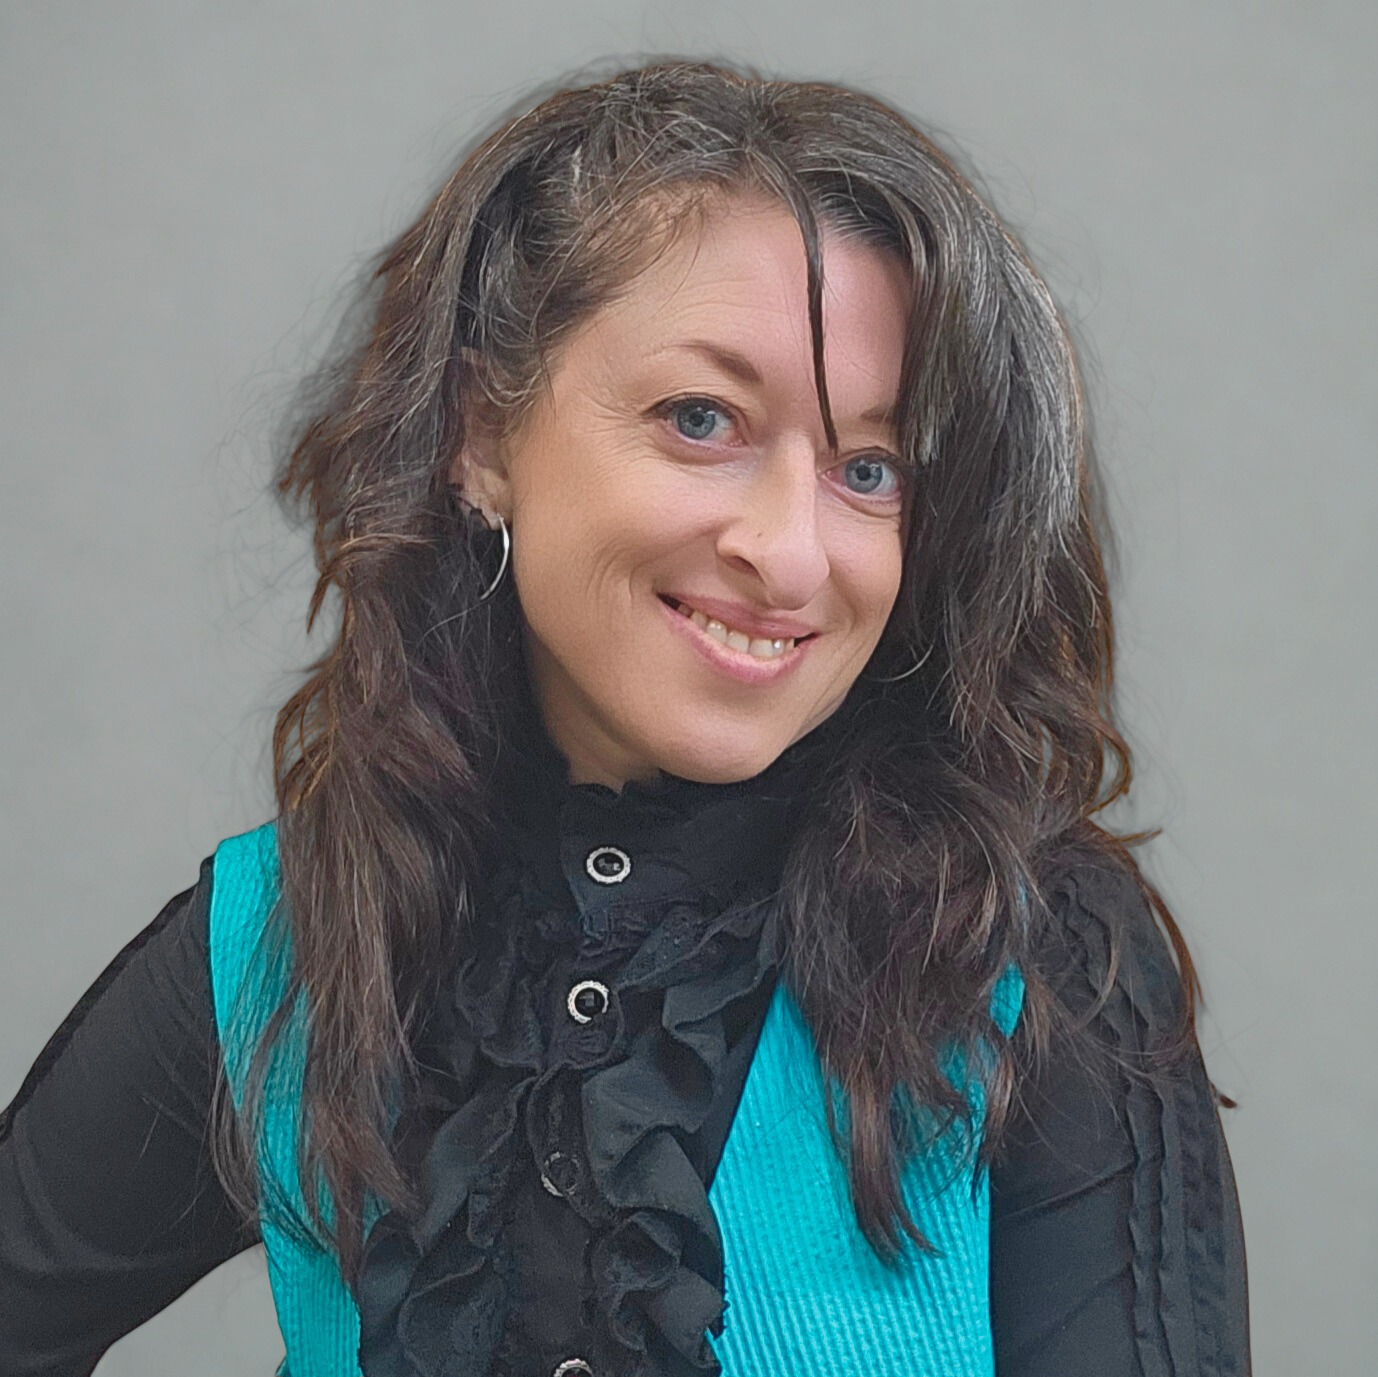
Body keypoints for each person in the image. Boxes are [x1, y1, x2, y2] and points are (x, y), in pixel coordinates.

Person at [0, 58, 1249, 1376]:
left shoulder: (1028, 952)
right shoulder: (281, 937)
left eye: (866, 468)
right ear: (482, 437)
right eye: (699, 418)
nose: (789, 552)